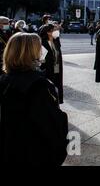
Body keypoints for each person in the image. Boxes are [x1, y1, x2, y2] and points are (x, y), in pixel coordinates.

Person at [0, 32, 68, 165]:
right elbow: (52, 129)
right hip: (31, 153)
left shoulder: (3, 81)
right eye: (39, 48)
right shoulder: (40, 86)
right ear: (32, 53)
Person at [39, 24, 64, 104]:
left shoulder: (56, 41)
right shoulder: (43, 44)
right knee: (50, 87)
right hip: (48, 69)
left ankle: (57, 100)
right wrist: (44, 70)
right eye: (54, 30)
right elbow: (42, 60)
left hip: (57, 67)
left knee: (57, 83)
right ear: (48, 32)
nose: (57, 32)